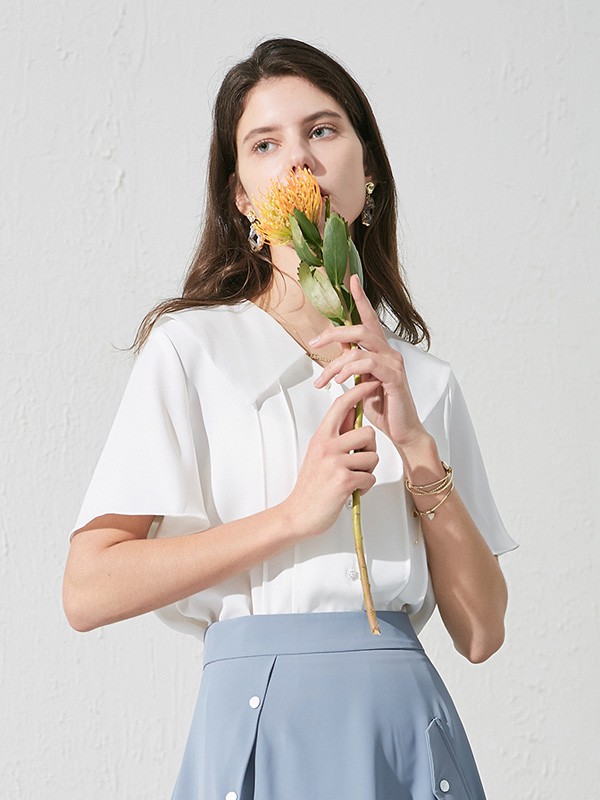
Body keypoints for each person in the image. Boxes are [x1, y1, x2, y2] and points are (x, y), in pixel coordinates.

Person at [62, 37, 519, 800]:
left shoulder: (426, 383)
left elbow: (482, 633)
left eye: (323, 130)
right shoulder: (192, 352)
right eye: (265, 144)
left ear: (368, 172)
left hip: (403, 732)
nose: (299, 159)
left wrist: (414, 446)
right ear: (242, 197)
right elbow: (87, 589)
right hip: (255, 724)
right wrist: (292, 516)